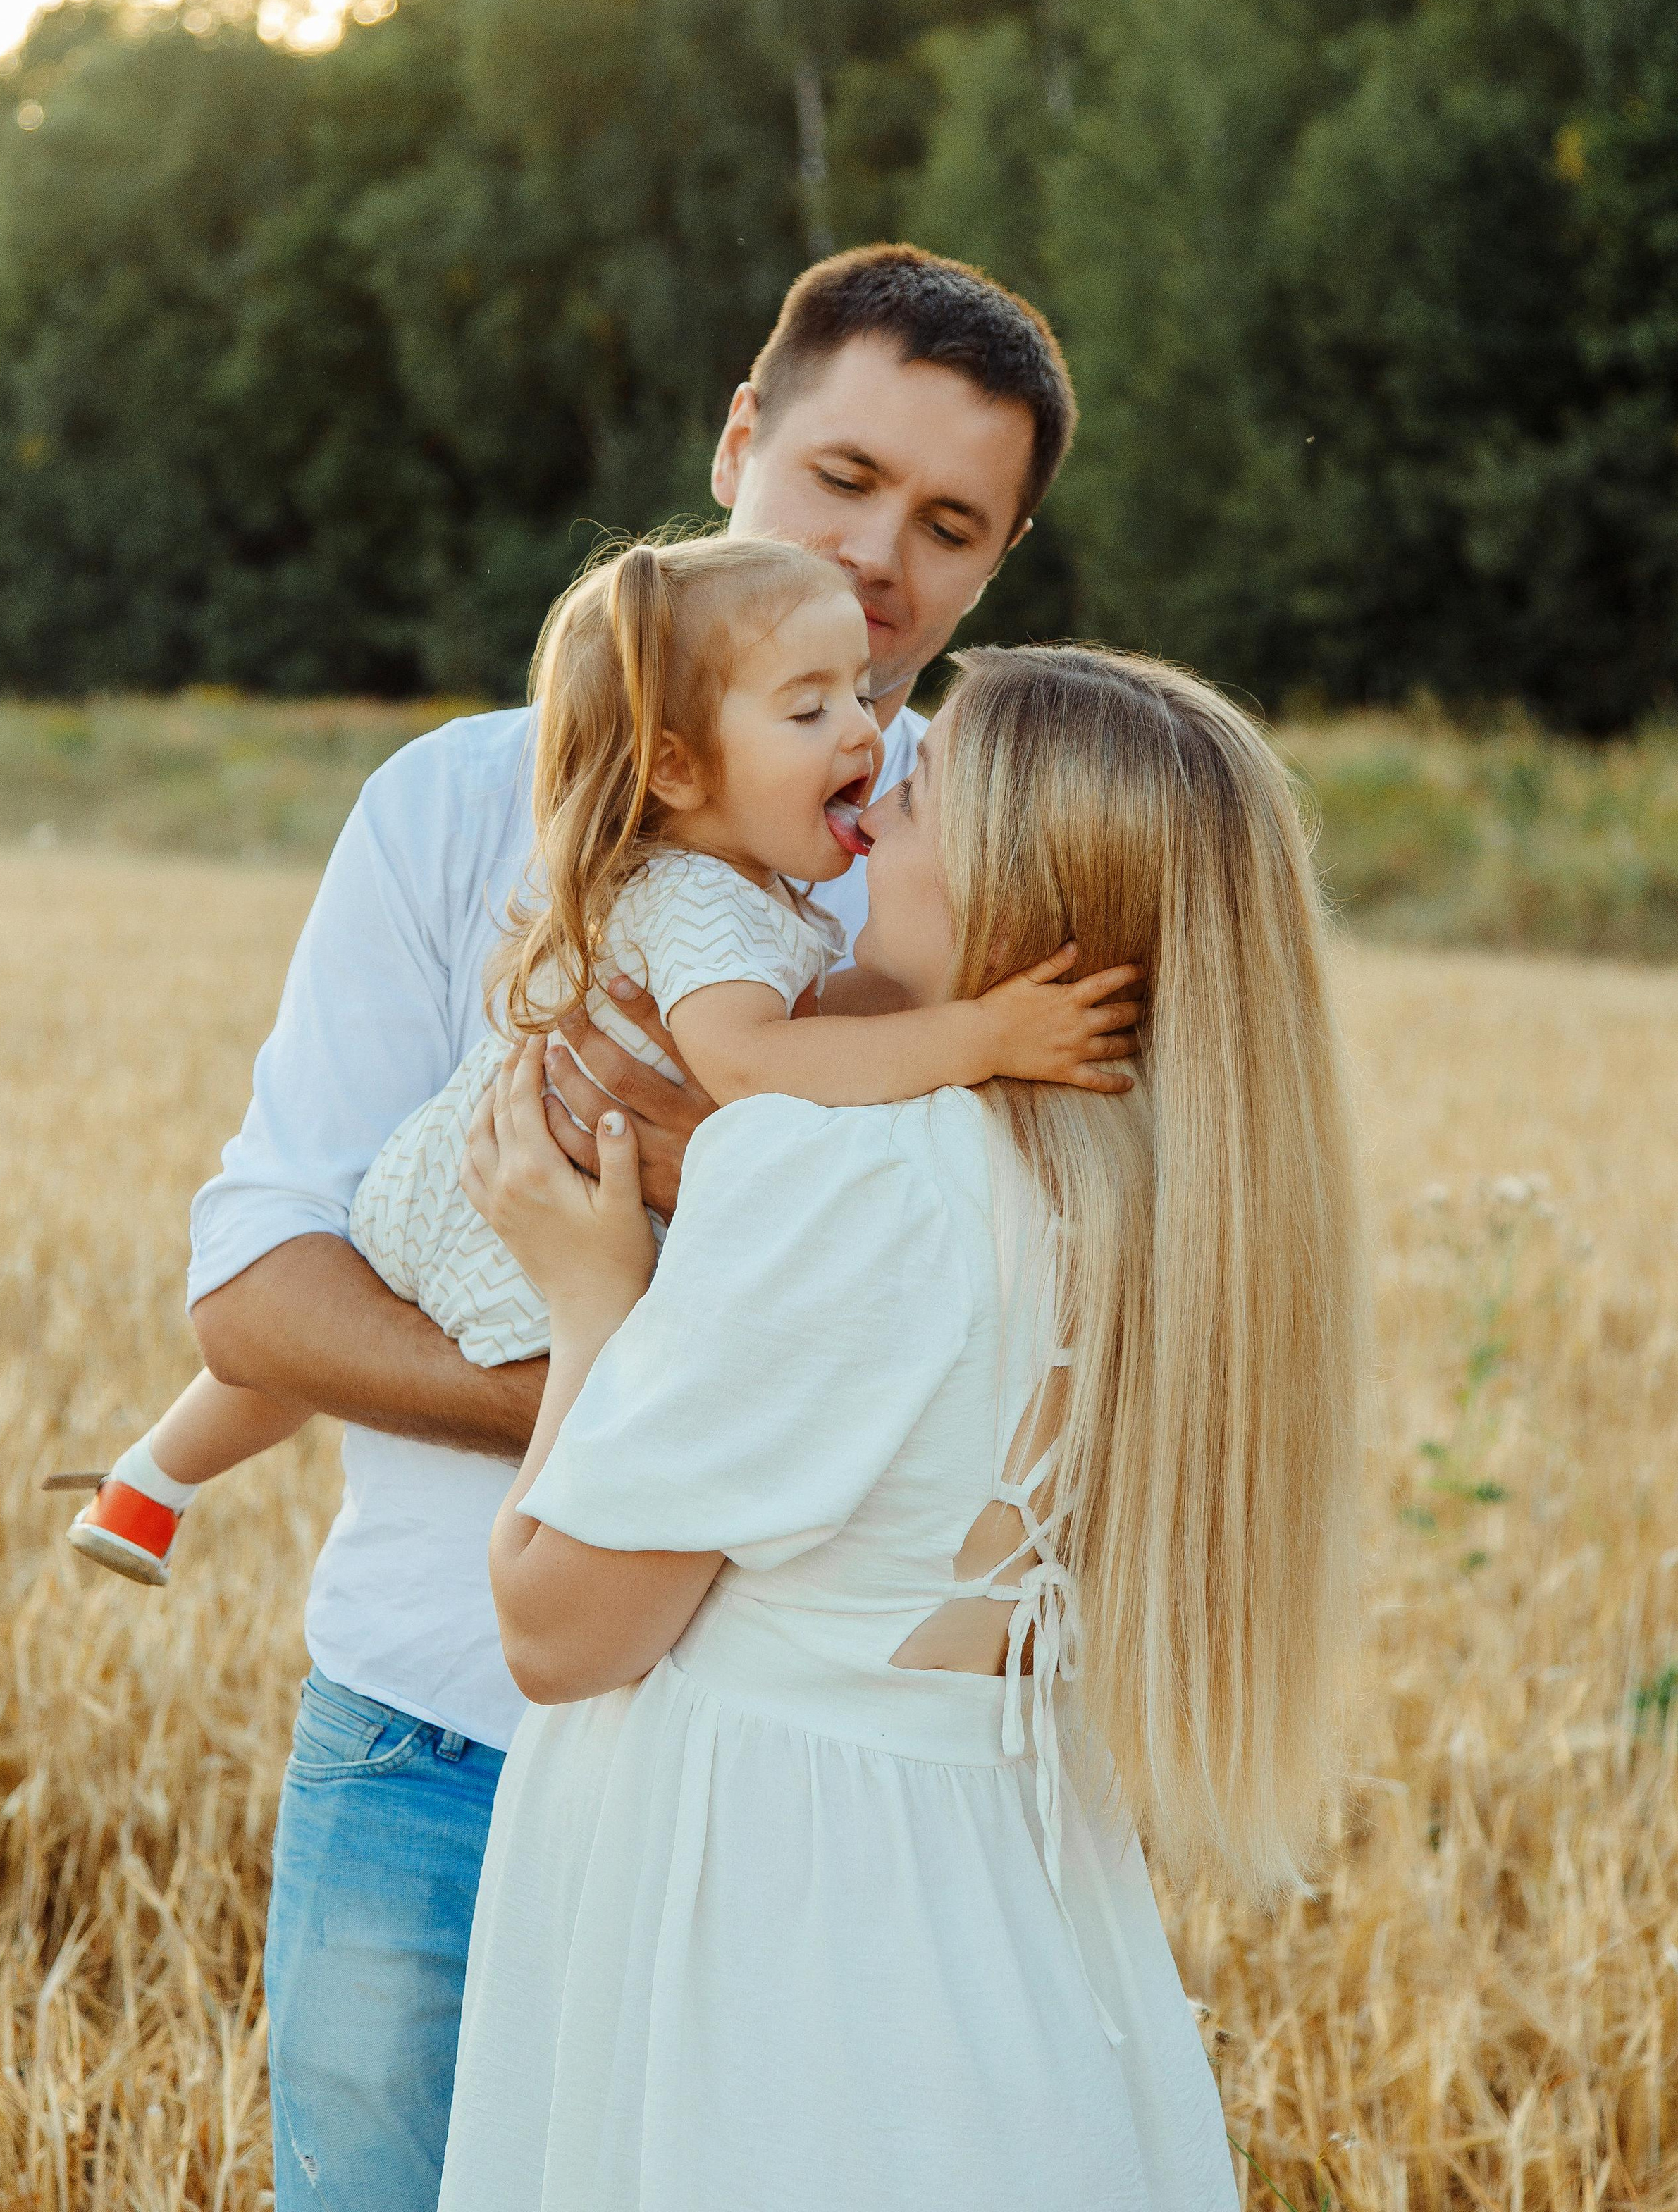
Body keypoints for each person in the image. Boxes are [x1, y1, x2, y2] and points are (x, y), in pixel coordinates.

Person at [173, 245, 1133, 2212]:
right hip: (440, 1730)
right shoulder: (457, 805)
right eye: (845, 478)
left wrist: (694, 1374)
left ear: (999, 565)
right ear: (737, 440)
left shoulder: (984, 857)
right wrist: (627, 1391)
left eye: (950, 525)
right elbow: (261, 1292)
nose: (880, 558)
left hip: (796, 1802)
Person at [438, 642, 1366, 2212]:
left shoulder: (850, 1180)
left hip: (780, 1959)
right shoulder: (1170, 1227)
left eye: (921, 790)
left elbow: (557, 1631)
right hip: (1018, 1921)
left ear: (1019, 888)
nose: (874, 792)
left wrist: (592, 1296)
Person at [66, 534, 1132, 1582]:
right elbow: (756, 1065)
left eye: (861, 694)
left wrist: (940, 1005)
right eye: (809, 711)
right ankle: (165, 1482)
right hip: (497, 1198)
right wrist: (980, 1035)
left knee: (311, 1364)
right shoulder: (702, 900)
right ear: (674, 764)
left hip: (497, 1175)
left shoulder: (749, 891)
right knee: (543, 1397)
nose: (862, 735)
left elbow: (811, 1031)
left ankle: (149, 1483)